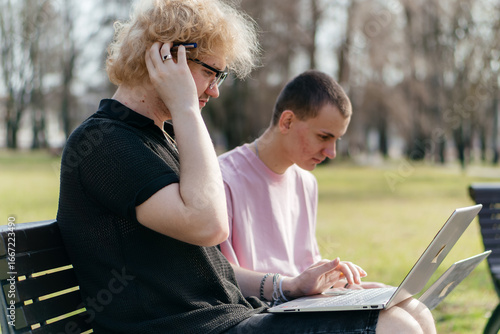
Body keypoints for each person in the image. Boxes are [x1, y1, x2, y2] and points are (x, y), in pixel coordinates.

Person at [56, 0, 435, 332]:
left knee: (410, 310)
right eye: (210, 72)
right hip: (194, 328)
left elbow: (210, 268)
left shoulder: (157, 141)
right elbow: (209, 224)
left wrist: (291, 287)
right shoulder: (105, 143)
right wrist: (186, 107)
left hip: (232, 317)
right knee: (395, 327)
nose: (215, 90)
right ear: (167, 58)